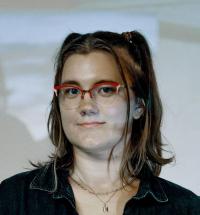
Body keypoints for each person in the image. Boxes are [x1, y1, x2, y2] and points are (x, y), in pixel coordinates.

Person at [0, 30, 199, 215]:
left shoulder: (186, 208)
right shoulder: (11, 199)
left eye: (105, 89)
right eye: (72, 91)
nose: (86, 105)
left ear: (139, 104)